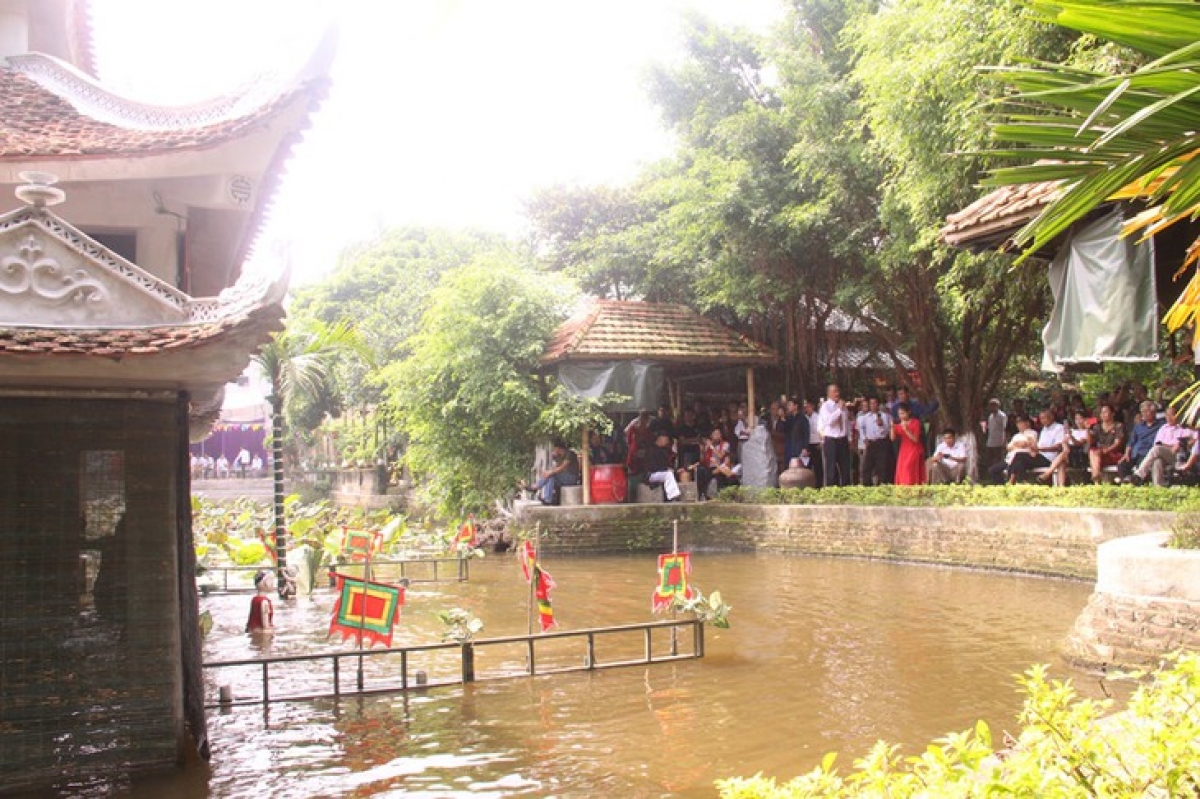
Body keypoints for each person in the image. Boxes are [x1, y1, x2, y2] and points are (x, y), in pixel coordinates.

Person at [1130, 404, 1188, 486]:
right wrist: (1170, 446)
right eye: (1167, 415)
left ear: (1177, 415)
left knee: (1157, 449)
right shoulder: (1163, 428)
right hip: (1165, 453)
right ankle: (1158, 486)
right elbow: (1158, 443)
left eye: (1172, 415)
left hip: (1178, 456)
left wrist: (1178, 444)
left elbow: (1189, 440)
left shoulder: (1182, 428)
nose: (1169, 417)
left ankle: (1139, 474)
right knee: (1157, 461)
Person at [1007, 409, 1064, 483]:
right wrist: (1034, 449)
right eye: (1041, 418)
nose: (1042, 420)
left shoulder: (1058, 428)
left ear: (1052, 417)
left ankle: (1013, 481)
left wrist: (1040, 449)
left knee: (1019, 456)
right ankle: (1021, 482)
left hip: (1050, 458)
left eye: (1044, 418)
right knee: (1018, 461)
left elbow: (1058, 447)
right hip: (1039, 455)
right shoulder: (1044, 429)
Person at [1041, 410, 1091, 486]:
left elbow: (1079, 443)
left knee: (1063, 455)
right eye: (1076, 419)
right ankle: (1061, 487)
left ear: (1085, 420)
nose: (1078, 421)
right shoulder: (1073, 431)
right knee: (1062, 462)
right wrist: (1066, 447)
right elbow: (1063, 442)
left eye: (1081, 419)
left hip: (1079, 455)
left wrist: (1071, 437)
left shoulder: (1088, 432)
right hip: (1068, 454)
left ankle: (1048, 473)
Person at [1119, 401, 1163, 481]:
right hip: (1135, 453)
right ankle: (1126, 483)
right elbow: (1131, 442)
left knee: (1142, 466)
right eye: (1142, 412)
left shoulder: (1161, 426)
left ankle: (1137, 484)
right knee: (1122, 465)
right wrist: (1126, 453)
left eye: (1147, 411)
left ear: (1153, 412)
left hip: (1147, 453)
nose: (1144, 414)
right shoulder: (1138, 426)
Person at [989, 415, 1038, 484]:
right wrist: (1017, 445)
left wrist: (1016, 445)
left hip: (1021, 459)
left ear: (1027, 423)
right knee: (992, 470)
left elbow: (1024, 444)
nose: (1019, 425)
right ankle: (1001, 486)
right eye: (1017, 423)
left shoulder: (1032, 433)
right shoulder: (1016, 435)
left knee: (1014, 466)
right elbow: (1008, 447)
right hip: (1009, 459)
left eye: (1021, 423)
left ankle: (1014, 485)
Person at [818, 384, 851, 487]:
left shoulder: (842, 405)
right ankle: (832, 491)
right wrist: (839, 410)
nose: (837, 394)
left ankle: (847, 489)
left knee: (845, 467)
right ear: (829, 393)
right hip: (831, 440)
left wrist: (849, 438)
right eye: (834, 391)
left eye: (838, 391)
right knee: (831, 468)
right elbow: (830, 421)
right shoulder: (825, 406)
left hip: (843, 439)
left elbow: (846, 423)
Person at [857, 397, 893, 486]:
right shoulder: (865, 417)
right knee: (867, 466)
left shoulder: (884, 416)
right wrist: (864, 438)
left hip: (881, 442)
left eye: (875, 403)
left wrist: (881, 425)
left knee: (882, 465)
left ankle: (881, 484)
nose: (873, 405)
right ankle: (867, 485)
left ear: (878, 404)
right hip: (870, 442)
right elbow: (861, 428)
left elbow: (887, 430)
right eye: (871, 403)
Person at [1088, 403, 1126, 483]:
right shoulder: (1097, 427)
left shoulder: (1118, 426)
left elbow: (1117, 443)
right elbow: (1091, 442)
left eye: (1106, 412)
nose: (1103, 414)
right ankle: (1096, 476)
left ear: (1112, 414)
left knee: (1095, 454)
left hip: (1114, 454)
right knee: (1093, 451)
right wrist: (1087, 430)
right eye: (1101, 412)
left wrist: (1106, 450)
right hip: (1099, 454)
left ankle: (1096, 481)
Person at [890, 403, 926, 485]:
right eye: (899, 414)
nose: (901, 416)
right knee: (902, 469)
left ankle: (912, 488)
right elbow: (892, 438)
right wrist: (892, 427)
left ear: (908, 412)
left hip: (914, 449)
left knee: (908, 468)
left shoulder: (915, 422)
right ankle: (903, 490)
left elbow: (916, 439)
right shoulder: (899, 424)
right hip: (904, 450)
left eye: (903, 413)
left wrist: (906, 430)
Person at [644, 432, 681, 501]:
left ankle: (669, 497)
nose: (667, 442)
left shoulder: (664, 450)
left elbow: (667, 464)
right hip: (651, 475)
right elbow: (652, 467)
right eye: (666, 439)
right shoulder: (651, 450)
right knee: (668, 474)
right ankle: (673, 495)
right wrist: (666, 469)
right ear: (660, 439)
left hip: (661, 473)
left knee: (669, 473)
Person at [246, 570, 275, 635]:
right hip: (261, 634)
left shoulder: (254, 599)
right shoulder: (265, 602)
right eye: (272, 581)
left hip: (252, 630)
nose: (273, 584)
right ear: (267, 583)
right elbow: (265, 626)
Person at [983, 399, 1007, 473]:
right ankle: (990, 474)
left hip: (999, 441)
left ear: (997, 406)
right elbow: (990, 428)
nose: (990, 408)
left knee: (999, 459)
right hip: (990, 441)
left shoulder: (1002, 416)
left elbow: (1005, 429)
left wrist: (1004, 442)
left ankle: (1000, 474)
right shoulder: (990, 416)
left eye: (992, 406)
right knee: (990, 459)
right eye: (990, 406)